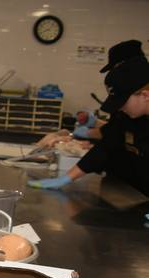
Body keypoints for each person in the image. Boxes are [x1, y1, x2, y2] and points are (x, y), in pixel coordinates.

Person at [29, 56, 149, 196]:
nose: (120, 108)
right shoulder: (129, 118)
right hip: (133, 193)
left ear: (145, 95)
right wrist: (66, 178)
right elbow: (106, 146)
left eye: (122, 103)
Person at [71, 40, 148, 140]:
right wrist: (94, 122)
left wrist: (88, 132)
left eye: (116, 67)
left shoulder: (131, 92)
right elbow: (119, 127)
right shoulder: (133, 104)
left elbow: (116, 133)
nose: (114, 72)